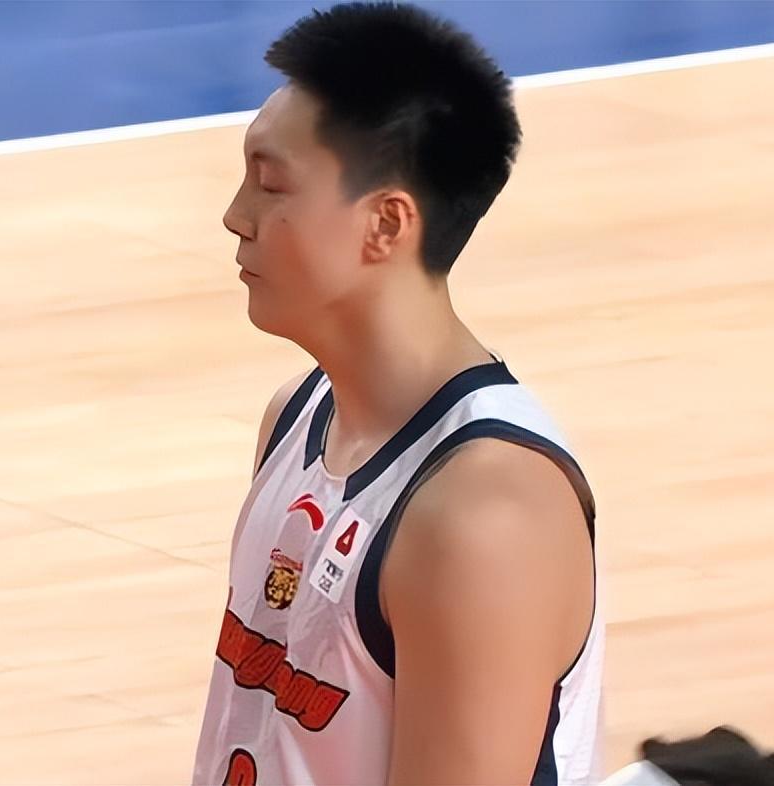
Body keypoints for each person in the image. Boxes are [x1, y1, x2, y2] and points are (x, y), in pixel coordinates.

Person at [192, 3, 601, 784]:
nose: (235, 217)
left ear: (386, 224)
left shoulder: (484, 514)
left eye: (270, 185)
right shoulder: (295, 419)